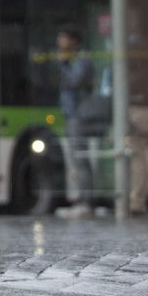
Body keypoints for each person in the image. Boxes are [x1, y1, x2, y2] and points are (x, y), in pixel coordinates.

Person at [56, 27, 95, 217]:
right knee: (76, 157)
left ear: (73, 41)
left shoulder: (82, 59)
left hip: (79, 114)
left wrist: (63, 64)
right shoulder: (72, 60)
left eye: (62, 38)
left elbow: (74, 81)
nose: (59, 43)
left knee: (79, 156)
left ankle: (86, 201)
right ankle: (83, 199)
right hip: (71, 113)